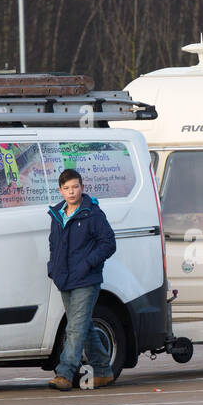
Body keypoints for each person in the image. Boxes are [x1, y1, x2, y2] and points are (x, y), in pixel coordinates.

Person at [46, 168, 117, 391]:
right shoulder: (57, 214)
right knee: (83, 326)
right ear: (60, 191)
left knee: (74, 328)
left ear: (82, 188)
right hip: (64, 279)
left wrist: (88, 263)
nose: (71, 192)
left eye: (75, 187)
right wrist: (53, 268)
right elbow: (54, 244)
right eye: (66, 188)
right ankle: (103, 370)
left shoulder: (92, 213)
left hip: (87, 279)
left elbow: (108, 243)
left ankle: (65, 372)